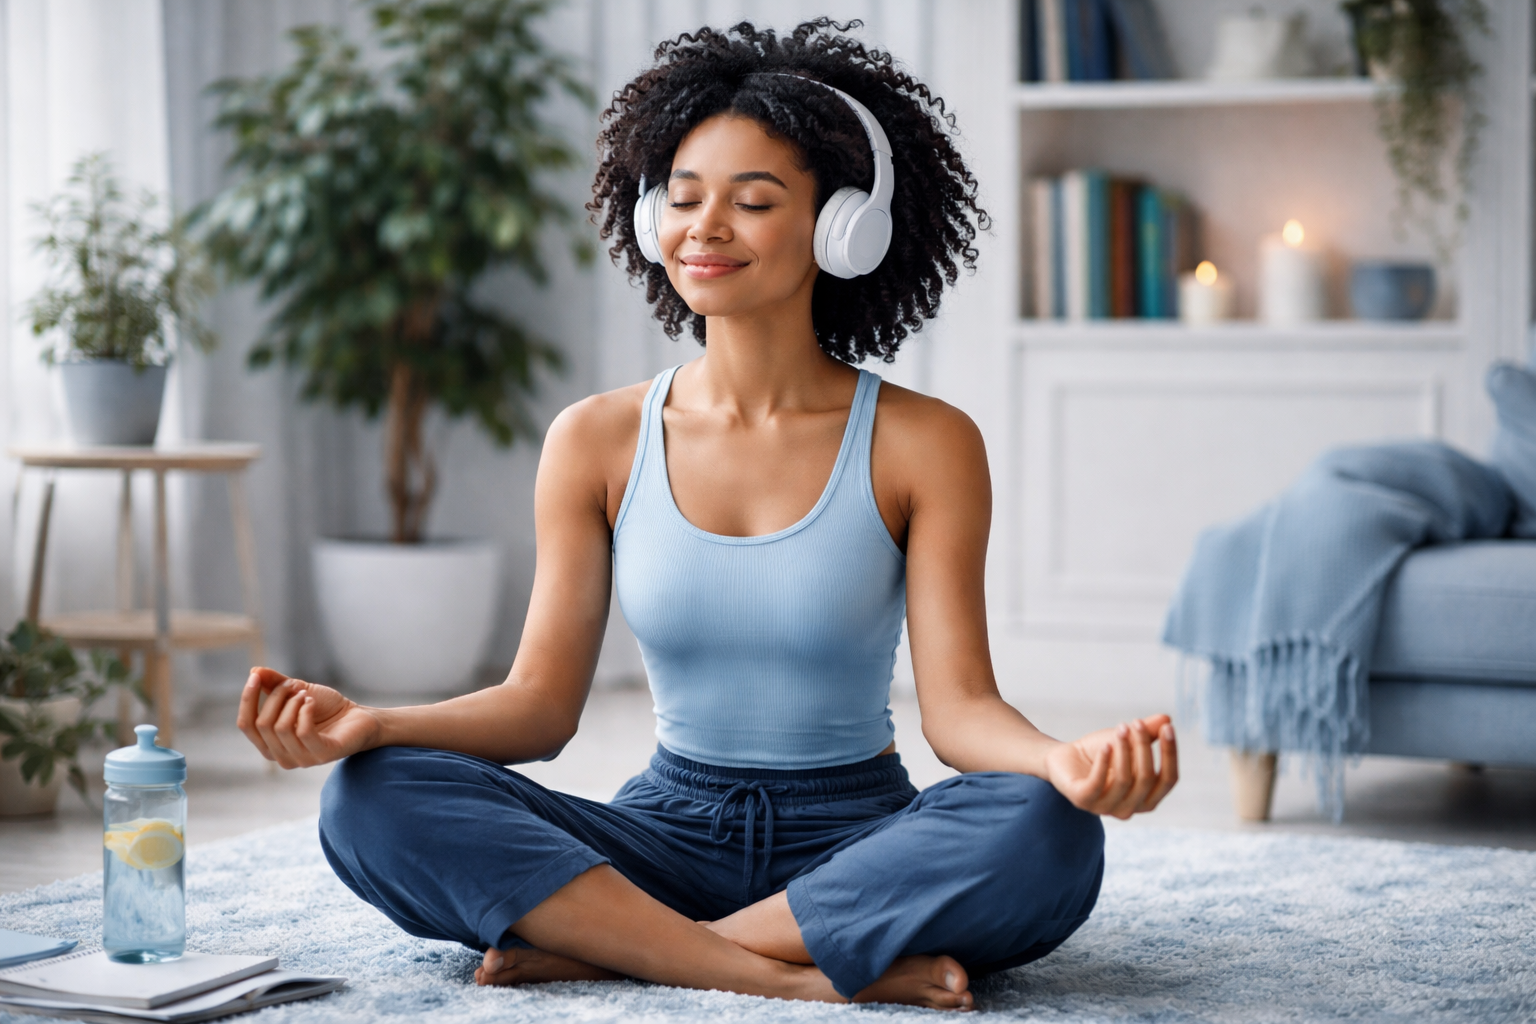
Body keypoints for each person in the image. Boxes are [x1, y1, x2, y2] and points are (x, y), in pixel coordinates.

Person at [236, 20, 1178, 1011]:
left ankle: (613, 946)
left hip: (856, 834)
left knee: (1048, 827)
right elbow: (540, 706)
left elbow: (961, 713)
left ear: (841, 226)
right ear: (648, 219)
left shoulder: (924, 442)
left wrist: (1062, 761)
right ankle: (801, 969)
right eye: (682, 199)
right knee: (372, 797)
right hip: (662, 833)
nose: (704, 227)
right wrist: (372, 723)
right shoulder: (595, 440)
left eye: (753, 201)